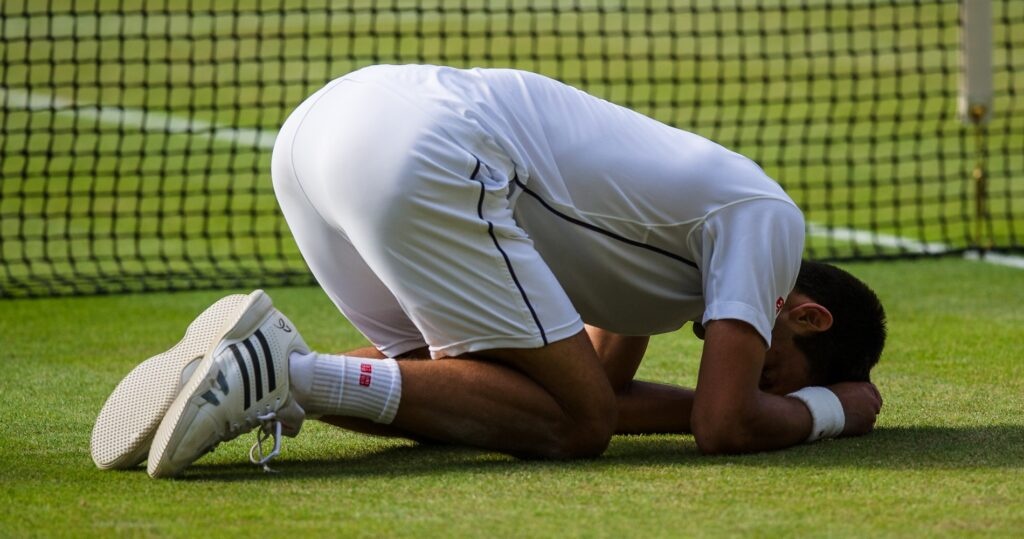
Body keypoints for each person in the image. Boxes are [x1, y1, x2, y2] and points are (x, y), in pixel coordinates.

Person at [90, 65, 886, 478]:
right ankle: (281, 376)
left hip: (318, 133)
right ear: (806, 314)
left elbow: (595, 386)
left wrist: (731, 403)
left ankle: (235, 371)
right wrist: (831, 409)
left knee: (449, 396)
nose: (752, 379)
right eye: (774, 373)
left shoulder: (667, 266)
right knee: (576, 430)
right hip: (426, 149)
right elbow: (721, 422)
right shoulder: (771, 225)